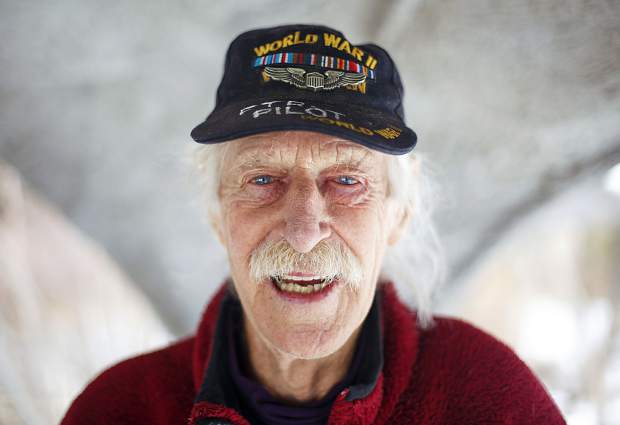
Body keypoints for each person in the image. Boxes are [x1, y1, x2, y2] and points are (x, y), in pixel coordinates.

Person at [61, 24, 566, 425]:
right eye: (262, 179)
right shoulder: (120, 408)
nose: (303, 233)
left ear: (398, 212)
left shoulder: (489, 399)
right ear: (217, 213)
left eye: (346, 180)